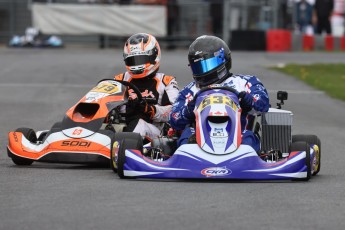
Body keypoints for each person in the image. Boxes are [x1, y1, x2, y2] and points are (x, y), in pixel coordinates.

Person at [168, 35, 270, 152]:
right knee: (186, 135)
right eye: (198, 66)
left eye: (207, 65)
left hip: (239, 134)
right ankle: (189, 160)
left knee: (249, 138)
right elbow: (174, 118)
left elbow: (264, 104)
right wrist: (187, 112)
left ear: (223, 59)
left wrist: (249, 101)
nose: (204, 70)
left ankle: (245, 160)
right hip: (198, 137)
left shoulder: (245, 82)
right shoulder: (190, 91)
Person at [114, 33, 179, 139]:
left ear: (154, 56)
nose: (136, 64)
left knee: (139, 125)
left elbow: (175, 112)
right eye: (132, 60)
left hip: (154, 133)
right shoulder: (119, 80)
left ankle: (124, 147)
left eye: (141, 59)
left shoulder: (166, 81)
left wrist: (150, 109)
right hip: (121, 128)